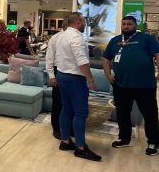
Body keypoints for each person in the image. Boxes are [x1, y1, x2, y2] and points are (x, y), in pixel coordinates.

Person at [103, 15, 159, 156]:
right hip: (121, 85)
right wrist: (108, 75)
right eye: (124, 24)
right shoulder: (115, 40)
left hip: (145, 86)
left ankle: (153, 142)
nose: (126, 26)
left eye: (129, 24)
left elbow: (157, 54)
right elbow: (106, 58)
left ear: (136, 26)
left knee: (150, 114)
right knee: (122, 113)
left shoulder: (146, 39)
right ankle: (124, 138)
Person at [55, 12, 101, 161]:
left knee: (66, 109)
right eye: (84, 22)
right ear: (78, 23)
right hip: (75, 78)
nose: (85, 24)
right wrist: (91, 80)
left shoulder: (61, 36)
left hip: (61, 75)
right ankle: (80, 148)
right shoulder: (76, 38)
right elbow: (82, 61)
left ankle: (65, 141)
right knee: (81, 113)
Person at [46, 18, 74, 140]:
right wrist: (52, 76)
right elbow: (49, 58)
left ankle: (70, 128)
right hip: (58, 71)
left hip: (72, 72)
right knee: (58, 102)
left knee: (71, 102)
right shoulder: (55, 38)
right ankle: (56, 128)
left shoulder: (76, 37)